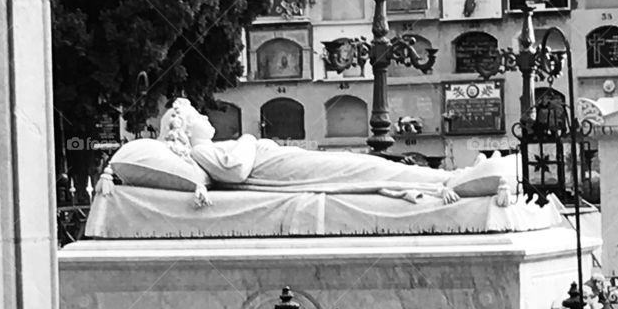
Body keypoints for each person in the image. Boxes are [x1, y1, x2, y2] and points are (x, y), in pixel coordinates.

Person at [160, 98, 515, 207]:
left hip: (284, 162)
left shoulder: (210, 148)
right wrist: (249, 139)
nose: (205, 117)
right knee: (367, 171)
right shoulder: (203, 151)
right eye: (197, 116)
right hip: (281, 169)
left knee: (366, 165)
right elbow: (235, 171)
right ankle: (450, 181)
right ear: (186, 129)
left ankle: (448, 178)